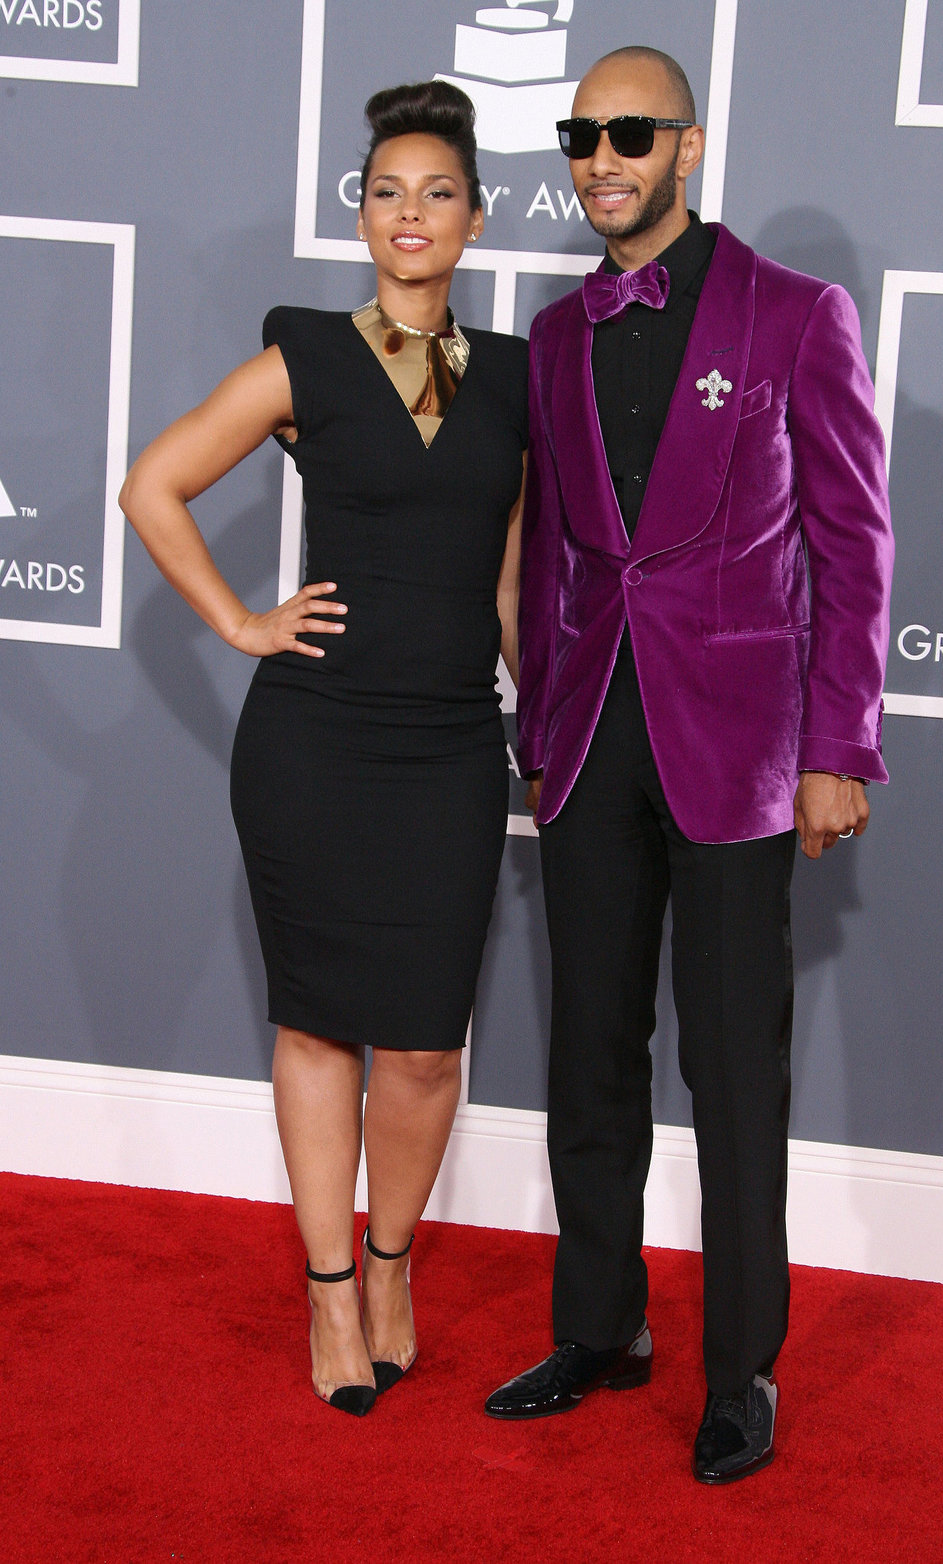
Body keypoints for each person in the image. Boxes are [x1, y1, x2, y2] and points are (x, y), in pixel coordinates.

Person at [484, 47, 893, 1483]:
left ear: (689, 145)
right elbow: (550, 554)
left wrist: (838, 745)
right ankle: (601, 1329)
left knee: (732, 1070)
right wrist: (542, 727)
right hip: (591, 739)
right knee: (589, 1050)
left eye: (630, 132)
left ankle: (740, 1372)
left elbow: (853, 546)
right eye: (581, 133)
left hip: (741, 748)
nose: (601, 157)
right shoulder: (554, 335)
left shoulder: (795, 313)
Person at [120, 81, 527, 1418]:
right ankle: (331, 1289)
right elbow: (151, 484)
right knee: (318, 1027)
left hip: (451, 746)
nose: (411, 214)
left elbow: (510, 583)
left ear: (475, 219)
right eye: (387, 192)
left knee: (424, 1048)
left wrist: (547, 723)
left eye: (438, 192)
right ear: (361, 218)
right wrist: (244, 622)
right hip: (316, 742)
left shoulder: (517, 379)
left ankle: (394, 1263)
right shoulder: (304, 355)